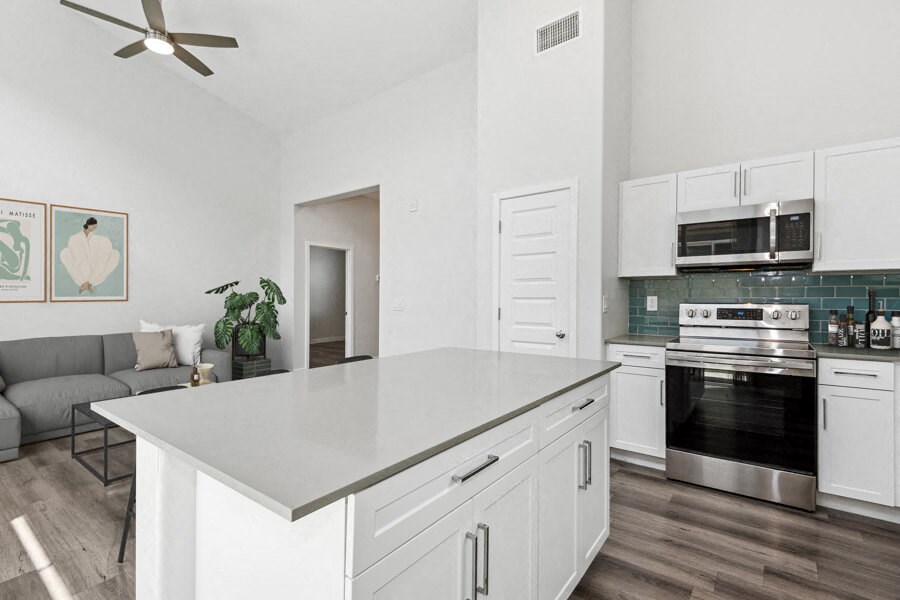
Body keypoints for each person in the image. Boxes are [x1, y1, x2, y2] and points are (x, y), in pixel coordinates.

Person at [60, 217, 120, 294]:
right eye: (94, 226)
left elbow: (99, 259)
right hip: (81, 273)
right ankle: (86, 283)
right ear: (88, 225)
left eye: (95, 227)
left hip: (94, 274)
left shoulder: (98, 240)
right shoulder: (75, 238)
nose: (95, 228)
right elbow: (77, 258)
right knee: (65, 254)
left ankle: (88, 283)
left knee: (115, 255)